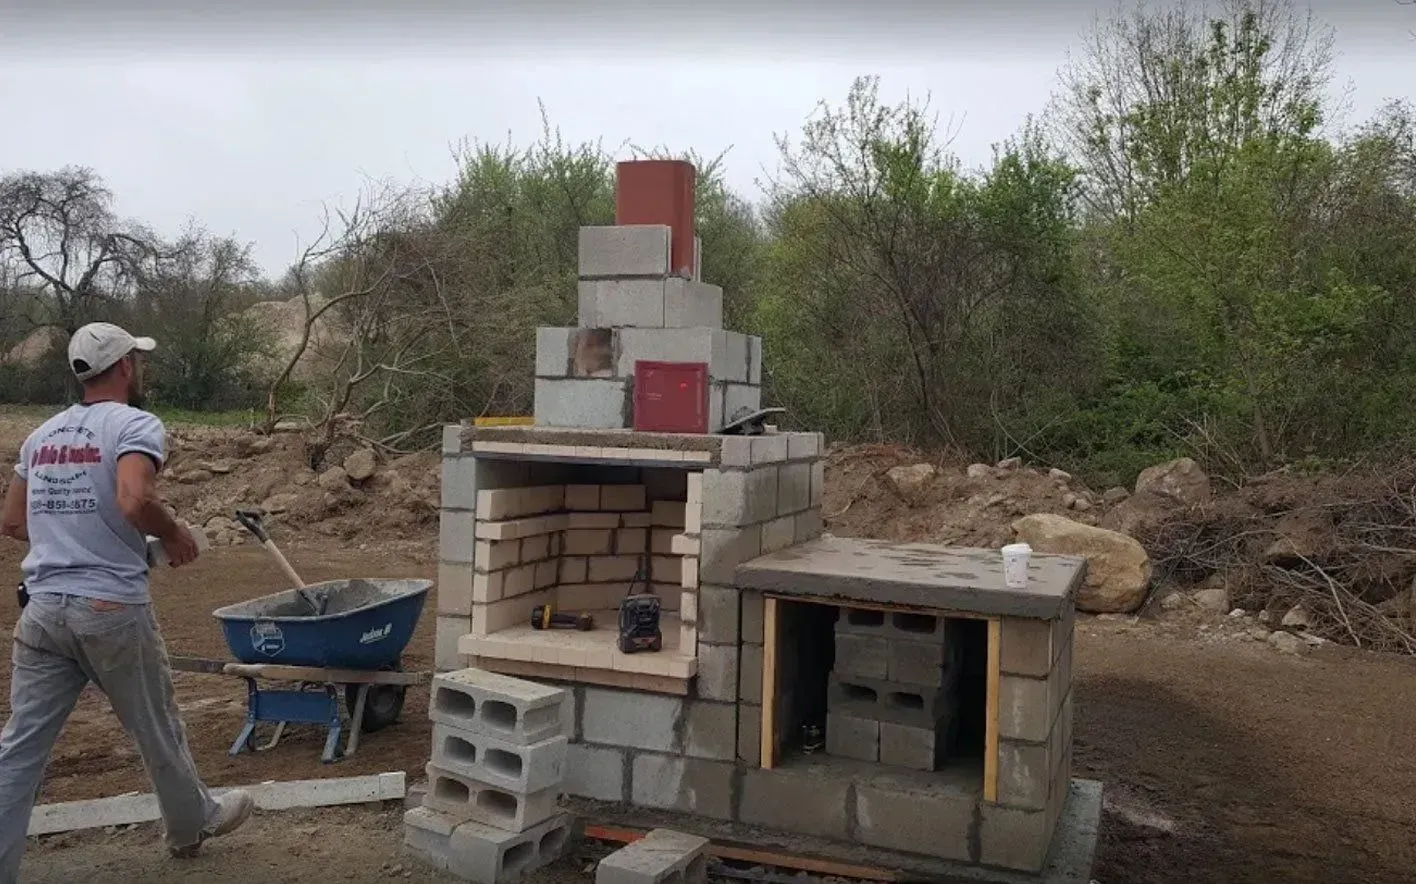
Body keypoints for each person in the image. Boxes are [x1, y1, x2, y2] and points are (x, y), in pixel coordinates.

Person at [0, 322, 252, 880]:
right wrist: (174, 534)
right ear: (124, 367)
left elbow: (13, 521)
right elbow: (134, 500)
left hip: (43, 610)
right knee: (156, 726)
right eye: (137, 360)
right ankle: (191, 823)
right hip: (110, 609)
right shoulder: (135, 424)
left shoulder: (41, 437)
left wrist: (70, 537)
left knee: (19, 749)